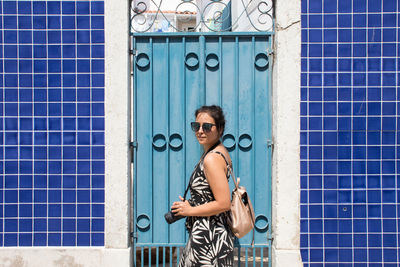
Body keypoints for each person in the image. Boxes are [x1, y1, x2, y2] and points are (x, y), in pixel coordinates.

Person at [171, 105, 235, 266]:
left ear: (220, 129)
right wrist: (191, 203)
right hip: (211, 235)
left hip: (209, 239)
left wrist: (190, 210)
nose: (200, 131)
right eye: (196, 126)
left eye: (207, 126)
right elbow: (211, 196)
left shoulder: (212, 159)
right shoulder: (218, 151)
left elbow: (223, 203)